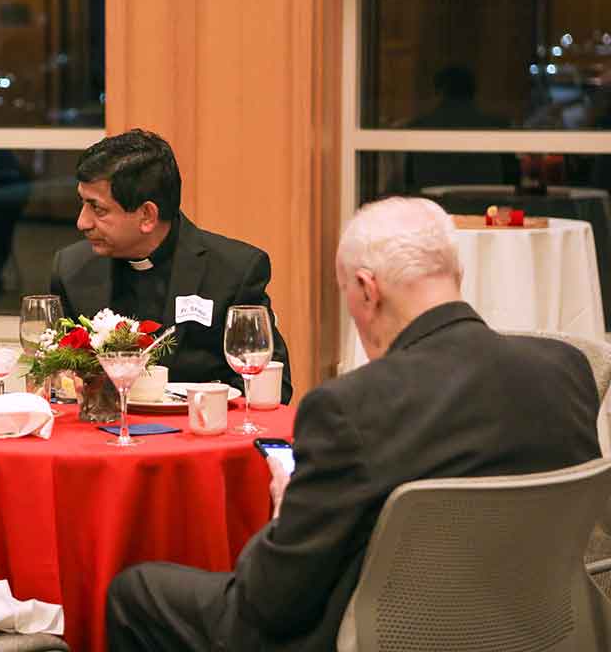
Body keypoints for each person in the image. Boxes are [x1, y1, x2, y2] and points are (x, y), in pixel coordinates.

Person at [106, 196, 600, 652]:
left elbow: (269, 603)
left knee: (137, 590)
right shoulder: (566, 370)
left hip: (377, 634)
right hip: (533, 627)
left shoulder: (352, 407)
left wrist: (284, 510)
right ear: (454, 274)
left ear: (367, 288)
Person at [50, 128, 292, 402]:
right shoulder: (72, 269)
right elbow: (56, 377)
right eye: (83, 203)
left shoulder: (234, 271)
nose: (82, 222)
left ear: (147, 215)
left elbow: (270, 387)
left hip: (197, 436)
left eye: (98, 209)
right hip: (101, 438)